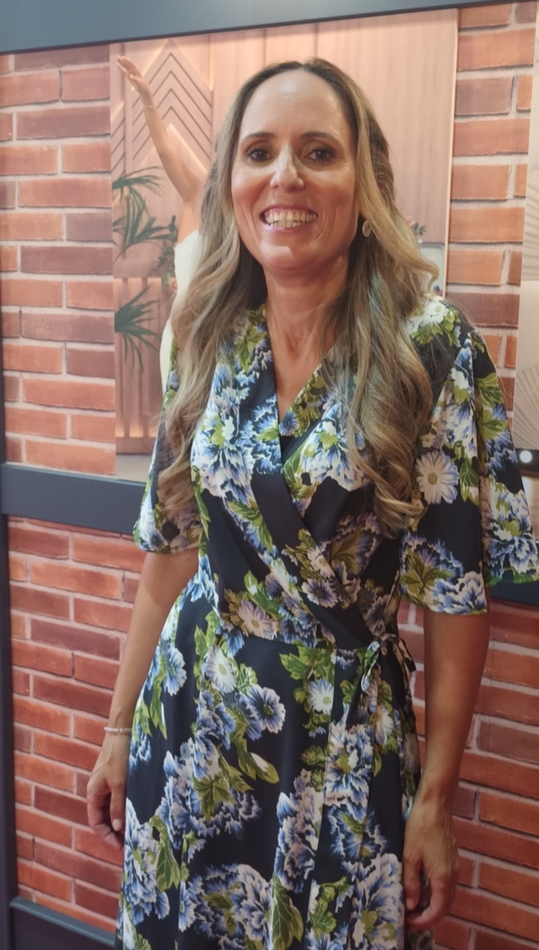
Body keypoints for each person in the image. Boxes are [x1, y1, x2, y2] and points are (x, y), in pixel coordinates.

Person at [87, 59, 539, 950]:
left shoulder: (428, 347)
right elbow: (171, 552)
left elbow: (454, 596)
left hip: (340, 740)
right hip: (190, 721)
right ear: (230, 184)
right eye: (259, 152)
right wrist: (114, 725)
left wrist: (436, 800)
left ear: (363, 185)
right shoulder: (206, 332)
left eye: (318, 152)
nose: (284, 176)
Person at [116, 55, 205, 388]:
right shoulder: (195, 196)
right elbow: (166, 151)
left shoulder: (247, 222)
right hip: (180, 334)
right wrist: (147, 99)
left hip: (221, 337)